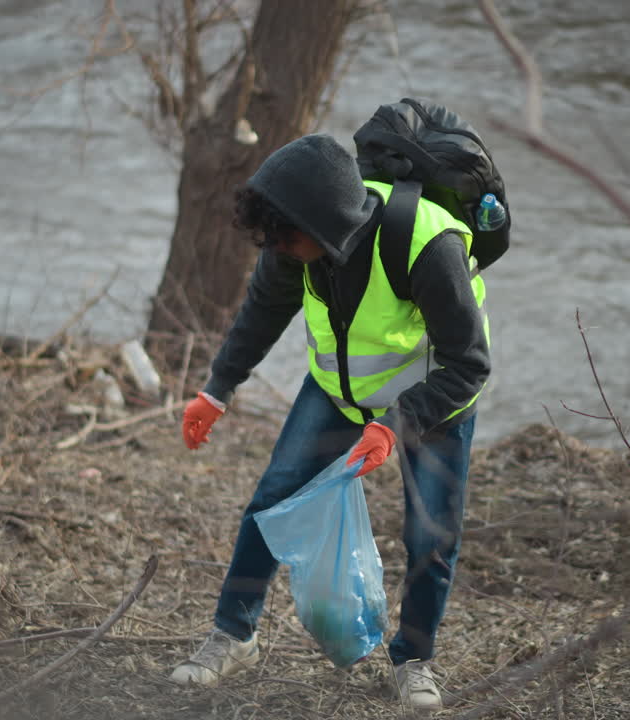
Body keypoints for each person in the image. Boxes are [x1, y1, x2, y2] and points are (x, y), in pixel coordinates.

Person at [169, 133, 490, 711]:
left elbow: (469, 363)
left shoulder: (426, 244)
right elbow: (263, 312)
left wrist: (396, 424)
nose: (277, 249)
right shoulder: (295, 239)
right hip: (340, 395)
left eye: (284, 239)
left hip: (433, 403)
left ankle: (413, 661)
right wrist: (216, 390)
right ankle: (233, 635)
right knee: (272, 500)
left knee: (430, 536)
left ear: (324, 227)